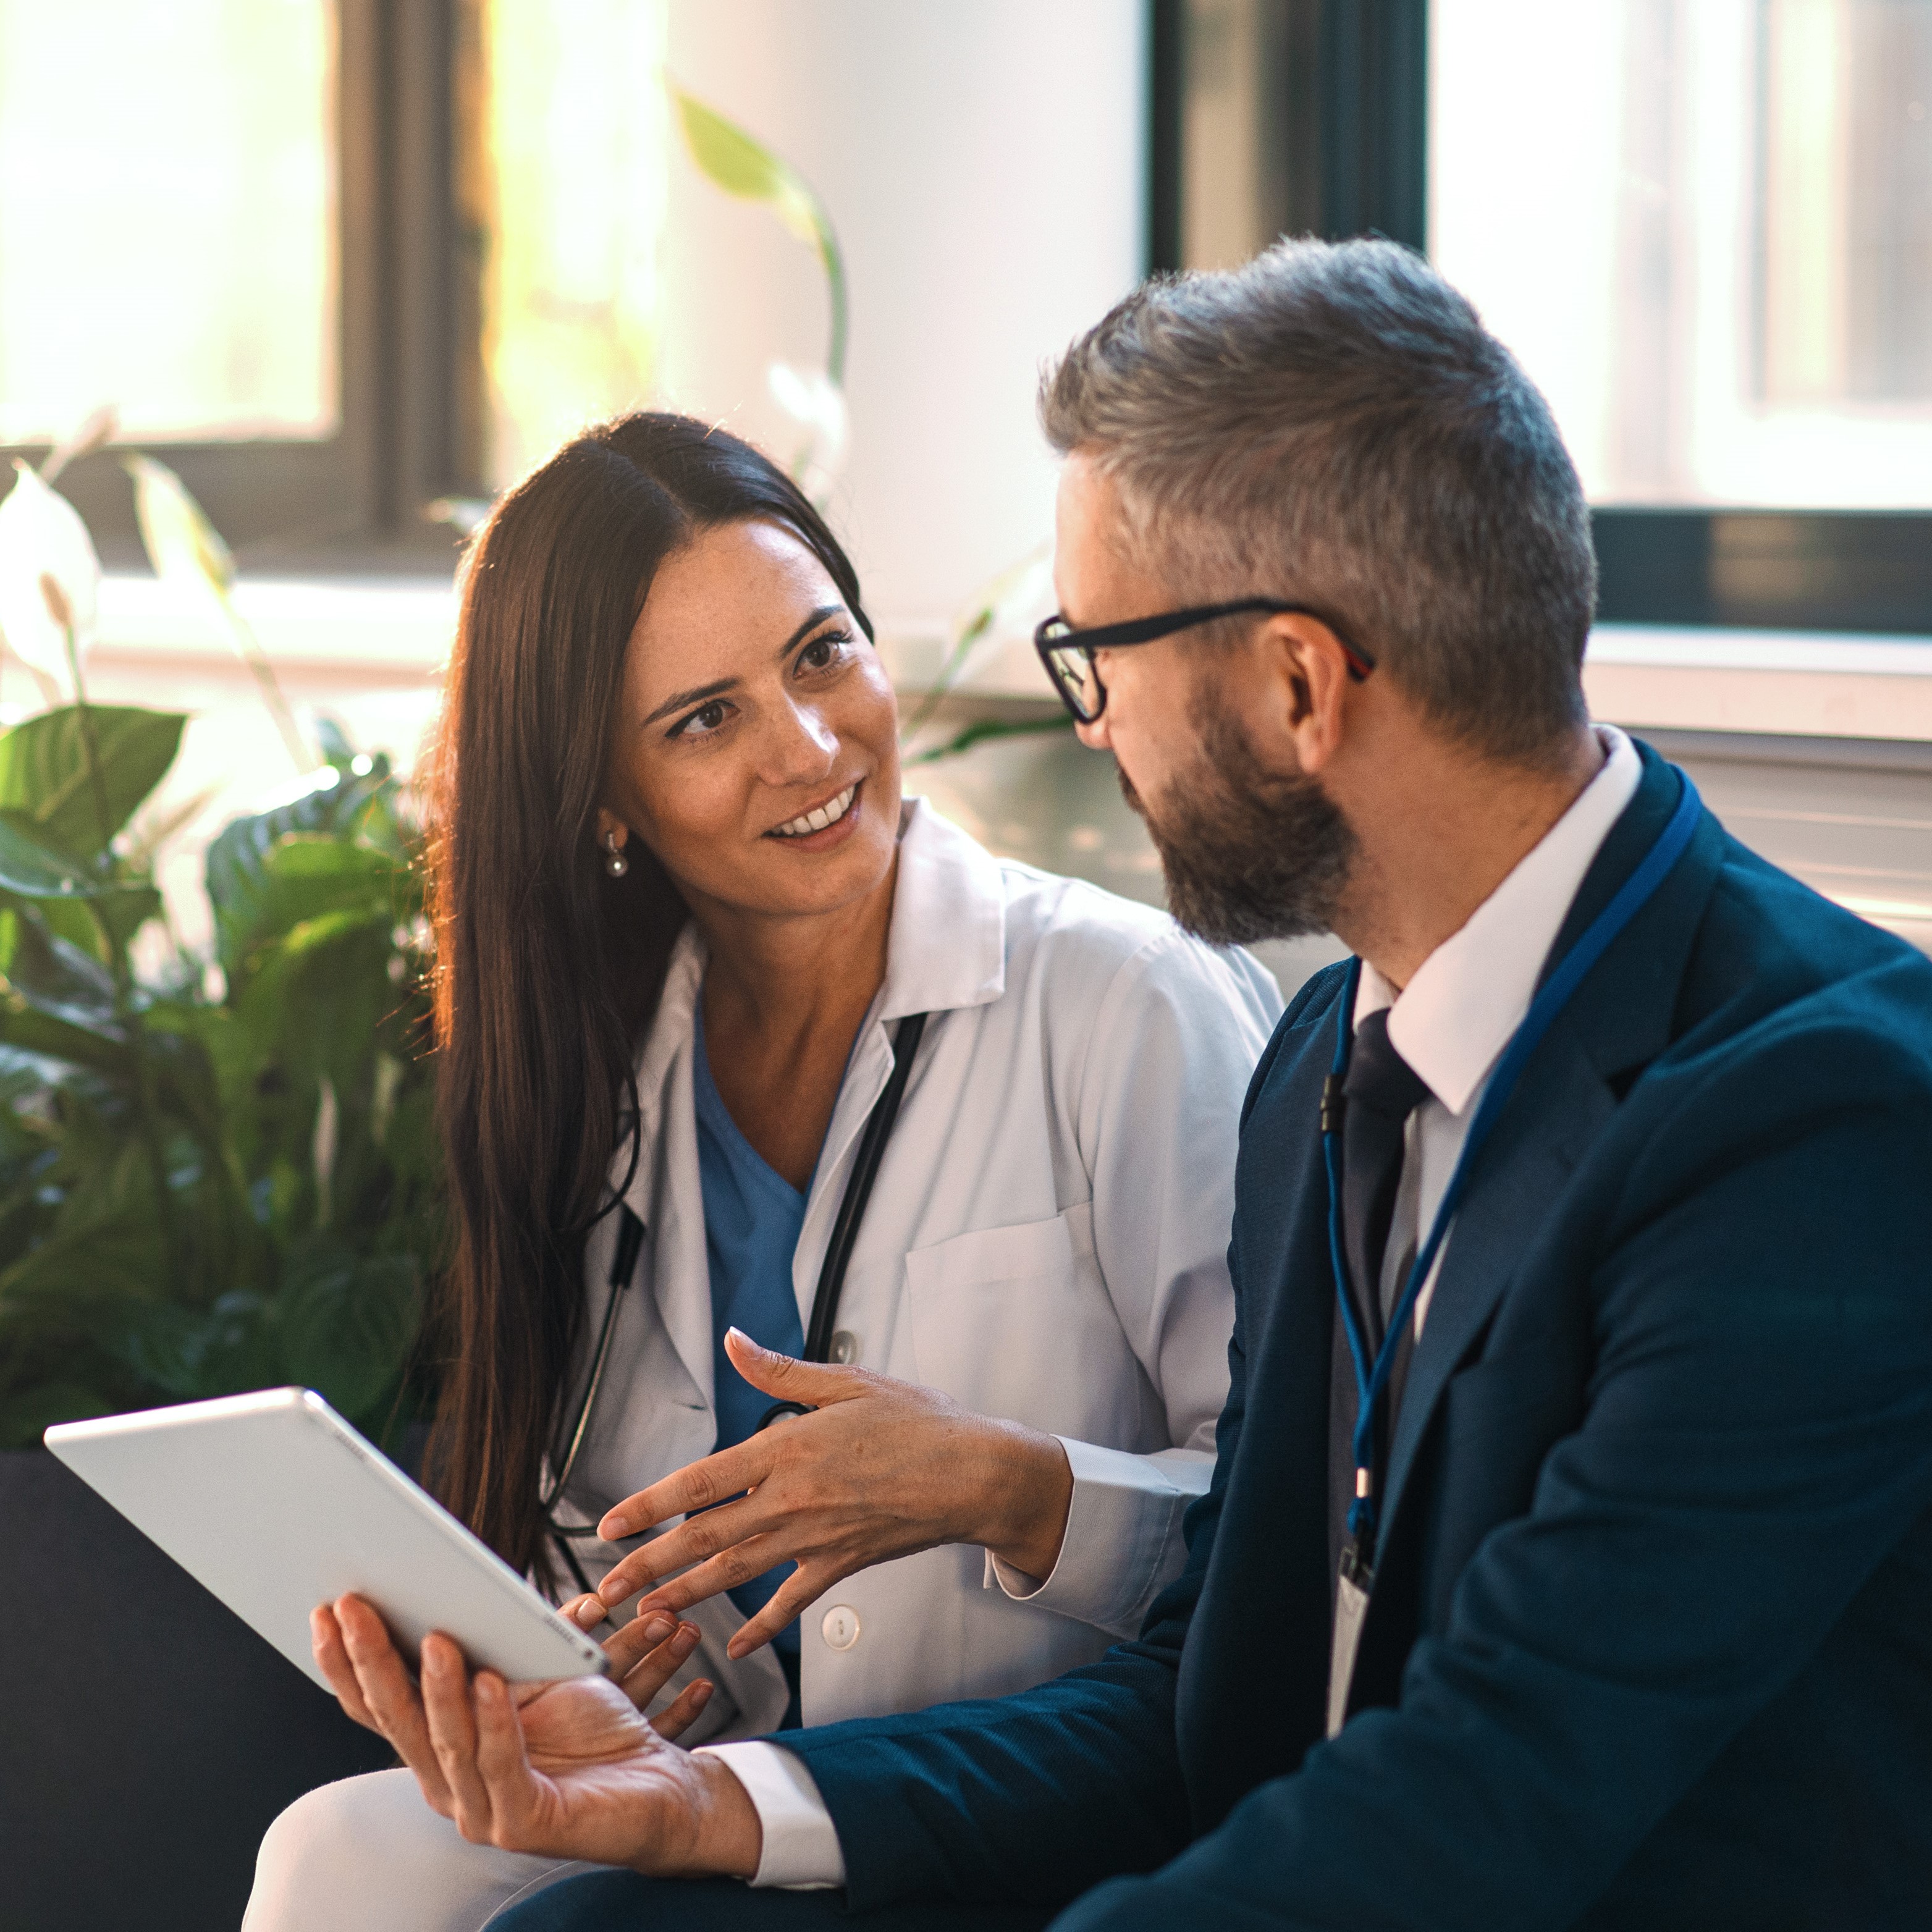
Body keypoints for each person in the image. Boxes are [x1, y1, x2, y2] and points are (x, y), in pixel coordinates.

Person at [310, 243, 1932, 1930]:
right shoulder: (1338, 1057)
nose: (1090, 731)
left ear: (1299, 686)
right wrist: (719, 1801)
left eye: (1098, 659)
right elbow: (1205, 1701)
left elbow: (1495, 1788)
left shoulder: (1818, 1120)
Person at [241, 415, 1281, 1931]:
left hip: (1018, 1799)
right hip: (721, 1781)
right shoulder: (604, 1067)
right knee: (334, 1859)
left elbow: (1292, 1532)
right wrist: (615, 1640)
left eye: (820, 654)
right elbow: (598, 1512)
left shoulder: (1123, 1002)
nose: (807, 747)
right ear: (604, 801)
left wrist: (1008, 1487)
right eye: (703, 720)